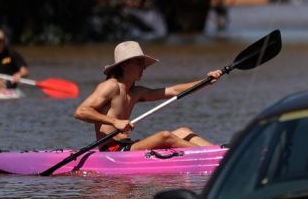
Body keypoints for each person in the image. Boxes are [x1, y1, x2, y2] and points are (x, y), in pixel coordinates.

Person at [73, 41, 222, 150]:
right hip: (114, 150)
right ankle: (208, 158)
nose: (144, 67)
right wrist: (114, 122)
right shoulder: (110, 86)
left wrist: (206, 81)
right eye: (139, 63)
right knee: (165, 136)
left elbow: (174, 91)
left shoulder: (136, 92)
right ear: (124, 65)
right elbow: (81, 112)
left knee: (184, 131)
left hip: (129, 145)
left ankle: (223, 154)